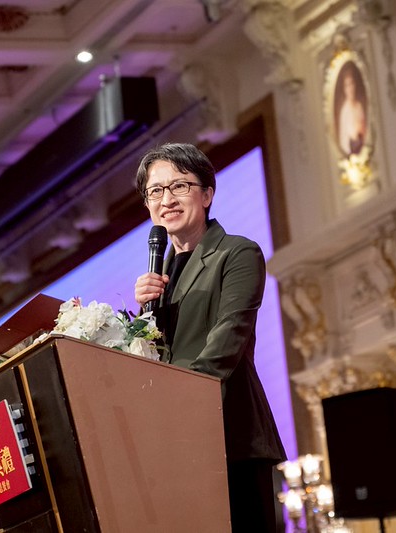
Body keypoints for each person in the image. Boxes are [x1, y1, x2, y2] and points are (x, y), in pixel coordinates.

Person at [134, 143, 286, 532]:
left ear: (206, 195)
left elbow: (227, 339)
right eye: (155, 191)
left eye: (179, 186)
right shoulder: (158, 279)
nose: (166, 199)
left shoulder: (236, 253)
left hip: (232, 436)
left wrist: (178, 406)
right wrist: (139, 320)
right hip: (176, 448)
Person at [336, 66, 367, 156]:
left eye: (352, 84)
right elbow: (344, 142)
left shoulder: (359, 106)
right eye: (347, 85)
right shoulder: (345, 111)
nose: (350, 88)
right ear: (345, 89)